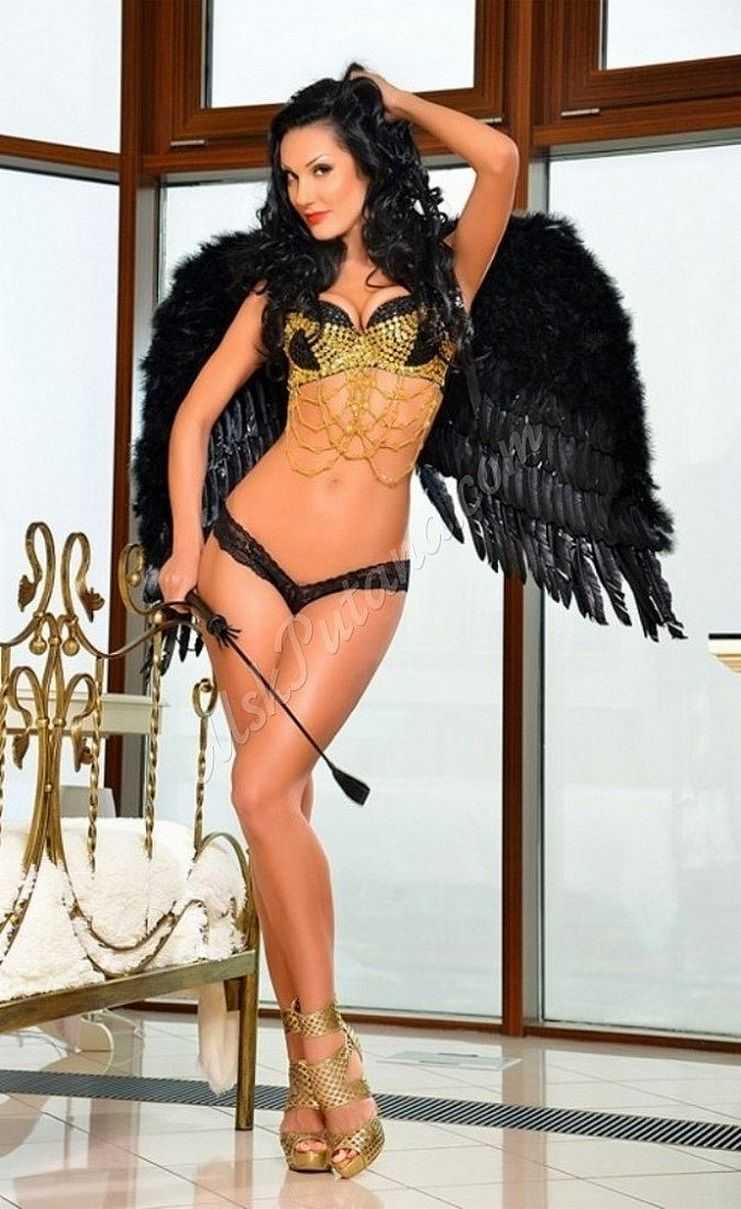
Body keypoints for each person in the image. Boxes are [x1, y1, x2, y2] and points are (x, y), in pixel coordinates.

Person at [158, 62, 518, 1179]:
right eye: (290, 177)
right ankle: (313, 1079)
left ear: (368, 163)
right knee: (278, 807)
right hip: (246, 562)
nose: (305, 192)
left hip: (361, 579)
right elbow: (195, 415)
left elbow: (501, 158)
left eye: (322, 168)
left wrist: (398, 101)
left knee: (263, 792)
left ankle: (324, 1053)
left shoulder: (447, 274)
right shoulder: (281, 292)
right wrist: (185, 546)